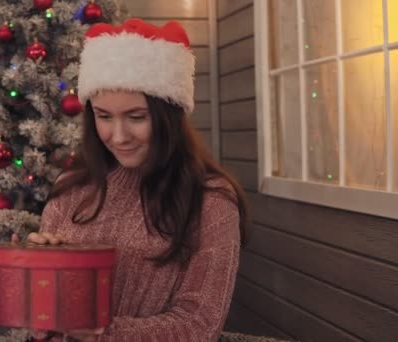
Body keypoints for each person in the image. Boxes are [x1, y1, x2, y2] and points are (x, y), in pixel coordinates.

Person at [14, 18, 249, 342]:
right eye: (104, 116)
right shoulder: (72, 186)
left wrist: (100, 333)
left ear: (170, 115)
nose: (119, 136)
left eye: (137, 117)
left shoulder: (211, 201)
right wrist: (37, 271)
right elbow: (43, 321)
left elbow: (199, 325)